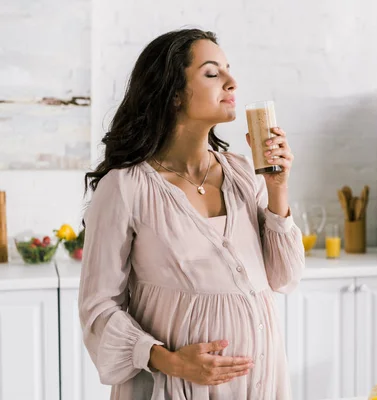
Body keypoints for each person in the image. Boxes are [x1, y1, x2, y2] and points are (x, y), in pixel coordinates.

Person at [79, 28, 305, 400]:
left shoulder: (244, 174)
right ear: (174, 94)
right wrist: (170, 361)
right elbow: (98, 307)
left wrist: (278, 188)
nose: (232, 82)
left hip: (260, 381)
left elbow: (284, 278)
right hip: (176, 386)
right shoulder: (126, 187)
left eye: (229, 71)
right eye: (213, 73)